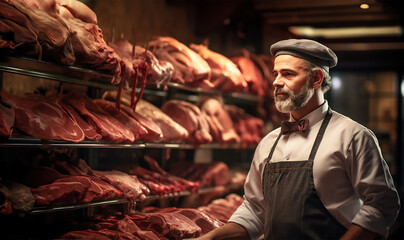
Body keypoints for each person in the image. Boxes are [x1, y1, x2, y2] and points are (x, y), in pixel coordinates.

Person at [189, 39, 400, 240]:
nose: (276, 82)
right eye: (276, 74)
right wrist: (212, 237)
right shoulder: (268, 143)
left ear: (316, 79)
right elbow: (255, 211)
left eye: (287, 74)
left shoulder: (353, 136)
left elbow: (381, 205)